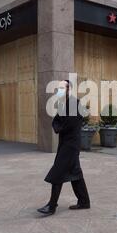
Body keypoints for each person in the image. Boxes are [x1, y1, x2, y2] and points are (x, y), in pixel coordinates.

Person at [37, 81, 91, 216]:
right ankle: (84, 201)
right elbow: (56, 121)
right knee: (75, 172)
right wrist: (58, 126)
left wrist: (59, 127)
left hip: (71, 145)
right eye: (58, 88)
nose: (59, 90)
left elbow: (69, 124)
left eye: (62, 88)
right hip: (66, 143)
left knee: (58, 172)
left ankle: (52, 205)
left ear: (69, 89)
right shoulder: (63, 104)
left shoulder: (74, 103)